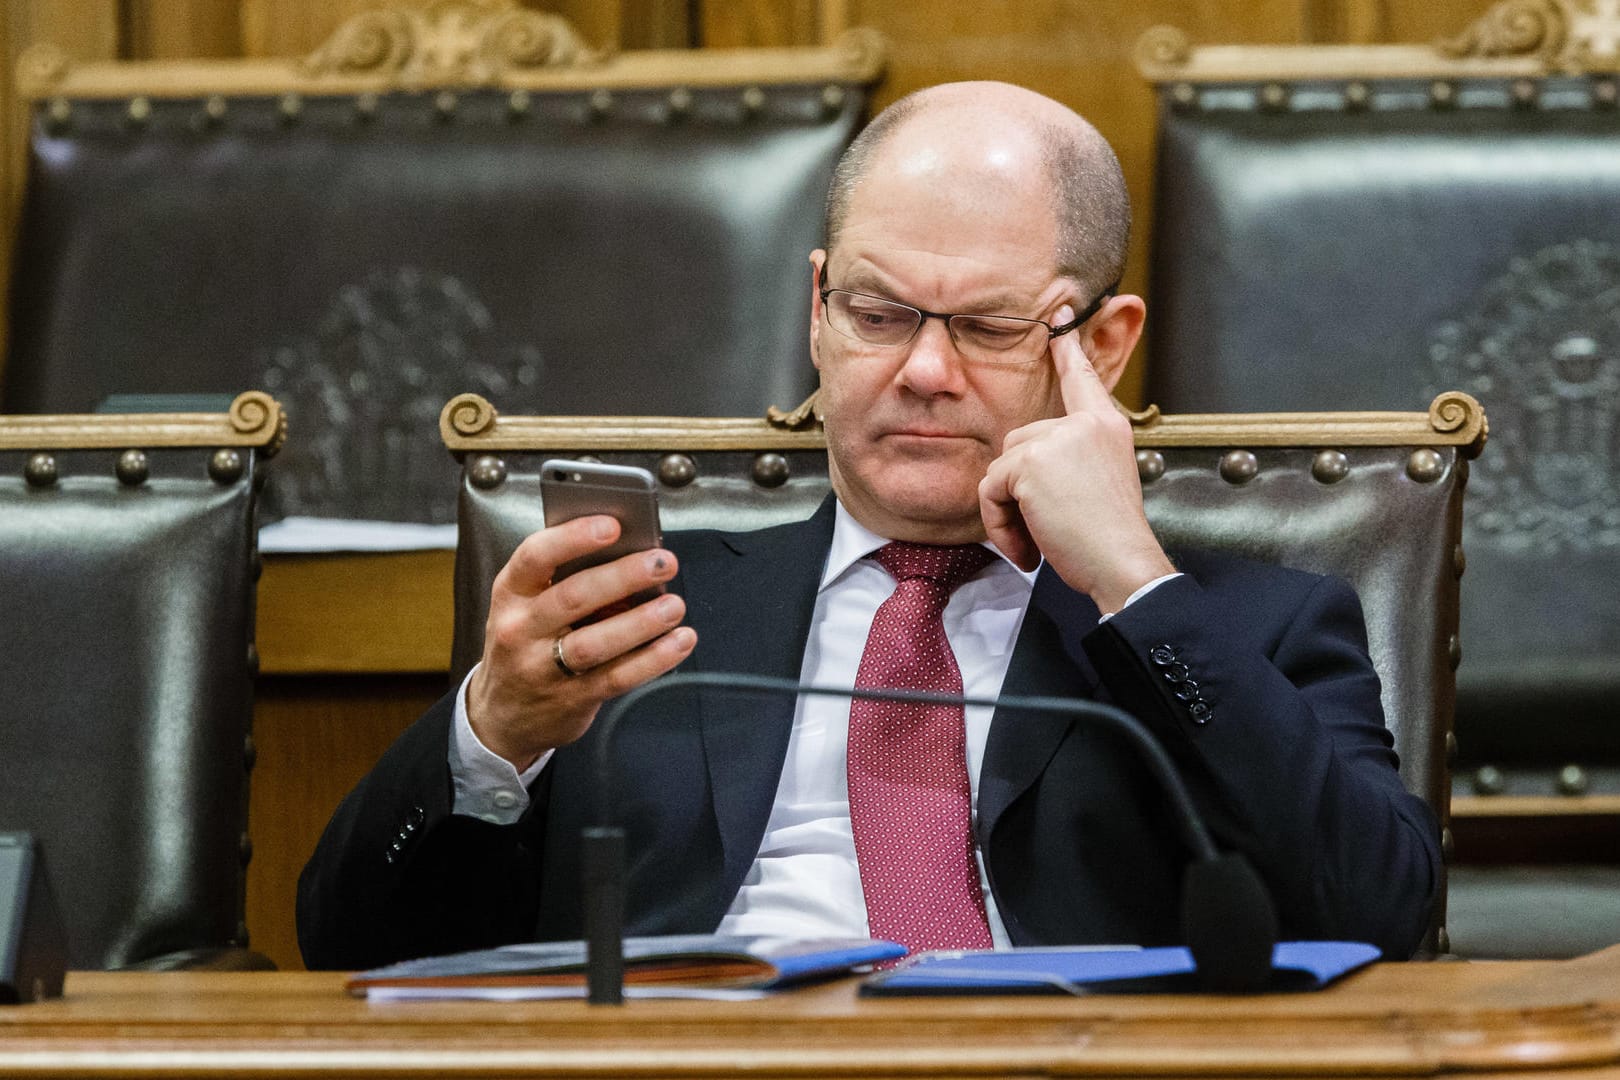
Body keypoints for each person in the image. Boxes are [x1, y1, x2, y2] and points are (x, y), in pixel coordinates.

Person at [297, 82, 1440, 970]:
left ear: (1099, 345)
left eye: (989, 326)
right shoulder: (630, 619)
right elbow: (355, 950)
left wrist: (1133, 581)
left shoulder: (1253, 626)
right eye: (878, 312)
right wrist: (494, 735)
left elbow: (1384, 919)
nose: (924, 371)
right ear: (817, 309)